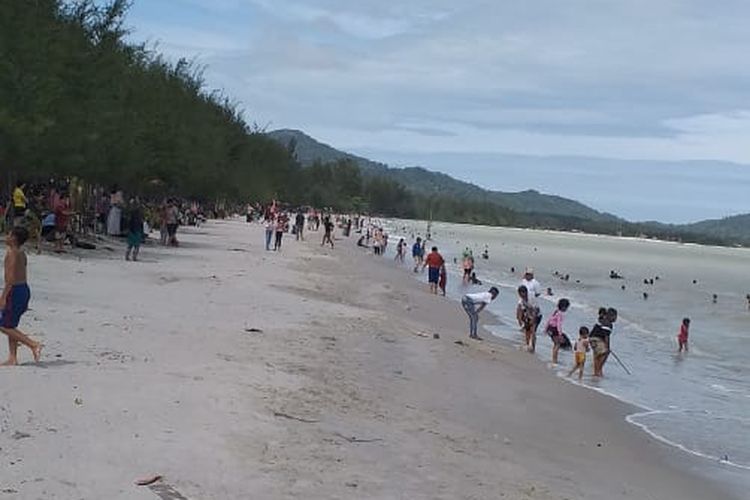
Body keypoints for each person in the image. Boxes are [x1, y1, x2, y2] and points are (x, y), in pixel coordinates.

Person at [1, 227, 43, 366]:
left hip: (15, 290)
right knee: (11, 324)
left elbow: (10, 279)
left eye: (9, 234)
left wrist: (3, 297)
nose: (6, 236)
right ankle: (13, 357)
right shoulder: (21, 253)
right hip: (23, 289)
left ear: (14, 238)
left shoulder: (12, 253)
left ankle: (33, 344)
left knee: (4, 325)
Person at [590, 307, 618, 377]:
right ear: (611, 316)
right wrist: (608, 347)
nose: (616, 319)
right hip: (597, 339)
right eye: (615, 317)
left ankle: (596, 371)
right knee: (605, 353)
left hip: (591, 338)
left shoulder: (602, 320)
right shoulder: (608, 324)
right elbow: (606, 336)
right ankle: (598, 370)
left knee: (597, 355)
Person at [545, 298, 572, 364]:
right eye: (566, 307)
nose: (566, 309)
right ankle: (554, 360)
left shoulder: (556, 311)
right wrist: (560, 334)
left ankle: (554, 359)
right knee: (557, 345)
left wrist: (546, 329)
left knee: (555, 344)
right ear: (563, 307)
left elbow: (549, 320)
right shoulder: (560, 314)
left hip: (550, 328)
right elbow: (558, 324)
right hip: (555, 330)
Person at [520, 268, 543, 333]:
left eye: (529, 274)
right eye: (526, 274)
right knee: (522, 316)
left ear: (532, 275)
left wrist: (531, 297)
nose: (527, 276)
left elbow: (538, 293)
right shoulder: (524, 281)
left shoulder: (535, 283)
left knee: (532, 328)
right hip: (524, 301)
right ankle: (524, 327)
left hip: (532, 302)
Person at [517, 286, 539, 352]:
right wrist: (519, 319)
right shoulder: (521, 300)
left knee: (533, 331)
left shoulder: (532, 298)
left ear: (526, 292)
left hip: (537, 315)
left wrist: (533, 319)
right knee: (527, 331)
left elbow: (536, 309)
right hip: (528, 315)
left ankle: (533, 347)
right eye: (520, 294)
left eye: (522, 294)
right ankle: (527, 345)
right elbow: (519, 309)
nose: (521, 296)